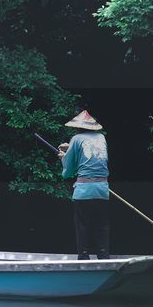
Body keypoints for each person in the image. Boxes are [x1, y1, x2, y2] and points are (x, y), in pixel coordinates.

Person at [57, 110, 110, 260]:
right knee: (102, 225)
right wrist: (70, 151)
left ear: (77, 128)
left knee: (82, 225)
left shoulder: (76, 138)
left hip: (84, 191)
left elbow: (67, 172)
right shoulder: (101, 138)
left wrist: (63, 157)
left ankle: (84, 256)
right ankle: (103, 255)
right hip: (102, 189)